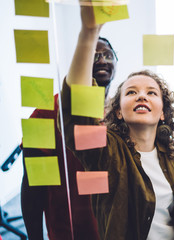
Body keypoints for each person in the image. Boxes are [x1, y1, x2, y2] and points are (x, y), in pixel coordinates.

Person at [59, 4, 174, 240]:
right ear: (118, 112)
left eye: (151, 92)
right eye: (131, 92)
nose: (141, 96)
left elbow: (165, 193)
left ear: (162, 113)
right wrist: (88, 32)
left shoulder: (170, 153)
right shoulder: (106, 152)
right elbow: (77, 111)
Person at [21, 36, 117, 240]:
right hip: (68, 233)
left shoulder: (122, 113)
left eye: (108, 55)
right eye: (92, 55)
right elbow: (33, 186)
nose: (101, 61)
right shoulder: (46, 112)